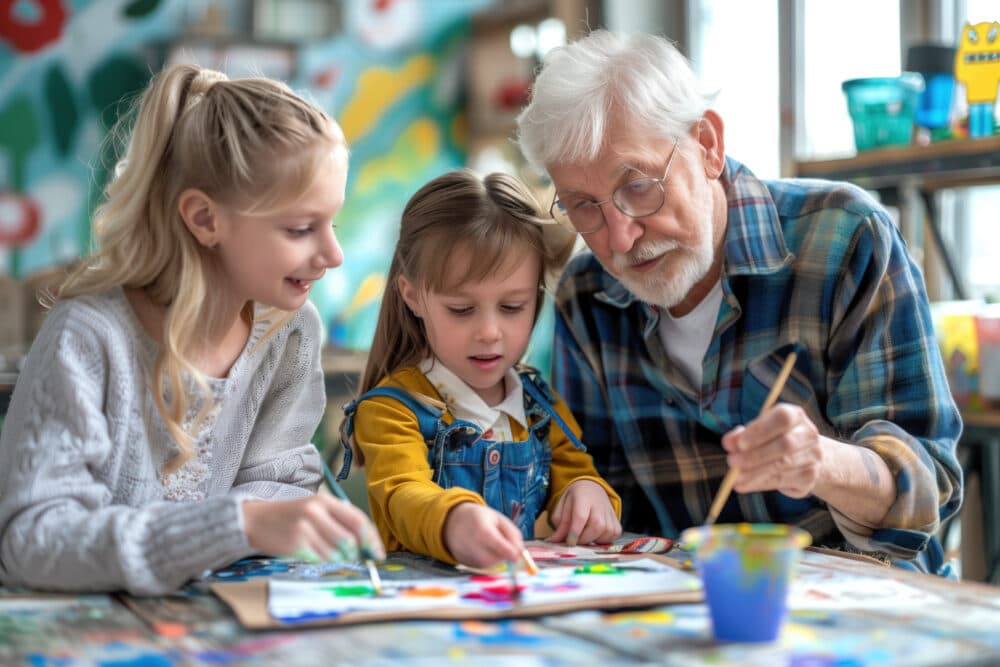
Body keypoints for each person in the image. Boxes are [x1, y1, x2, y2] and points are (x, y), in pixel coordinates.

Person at [515, 30, 963, 575]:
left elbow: (931, 493)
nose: (620, 238)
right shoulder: (587, 297)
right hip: (683, 609)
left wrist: (820, 462)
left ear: (707, 143)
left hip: (861, 606)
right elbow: (598, 495)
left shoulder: (845, 239)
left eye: (638, 186)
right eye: (585, 205)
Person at [0, 63, 384, 595]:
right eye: (300, 228)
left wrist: (279, 518)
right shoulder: (88, 339)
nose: (333, 255)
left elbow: (277, 488)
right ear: (205, 219)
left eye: (332, 223)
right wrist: (236, 524)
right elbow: (32, 541)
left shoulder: (291, 331)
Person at [338, 169, 622, 569]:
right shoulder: (390, 410)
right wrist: (454, 520)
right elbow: (402, 493)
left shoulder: (539, 403)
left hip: (515, 605)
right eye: (462, 309)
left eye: (512, 307)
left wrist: (587, 492)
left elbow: (575, 469)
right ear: (413, 296)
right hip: (424, 610)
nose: (489, 333)